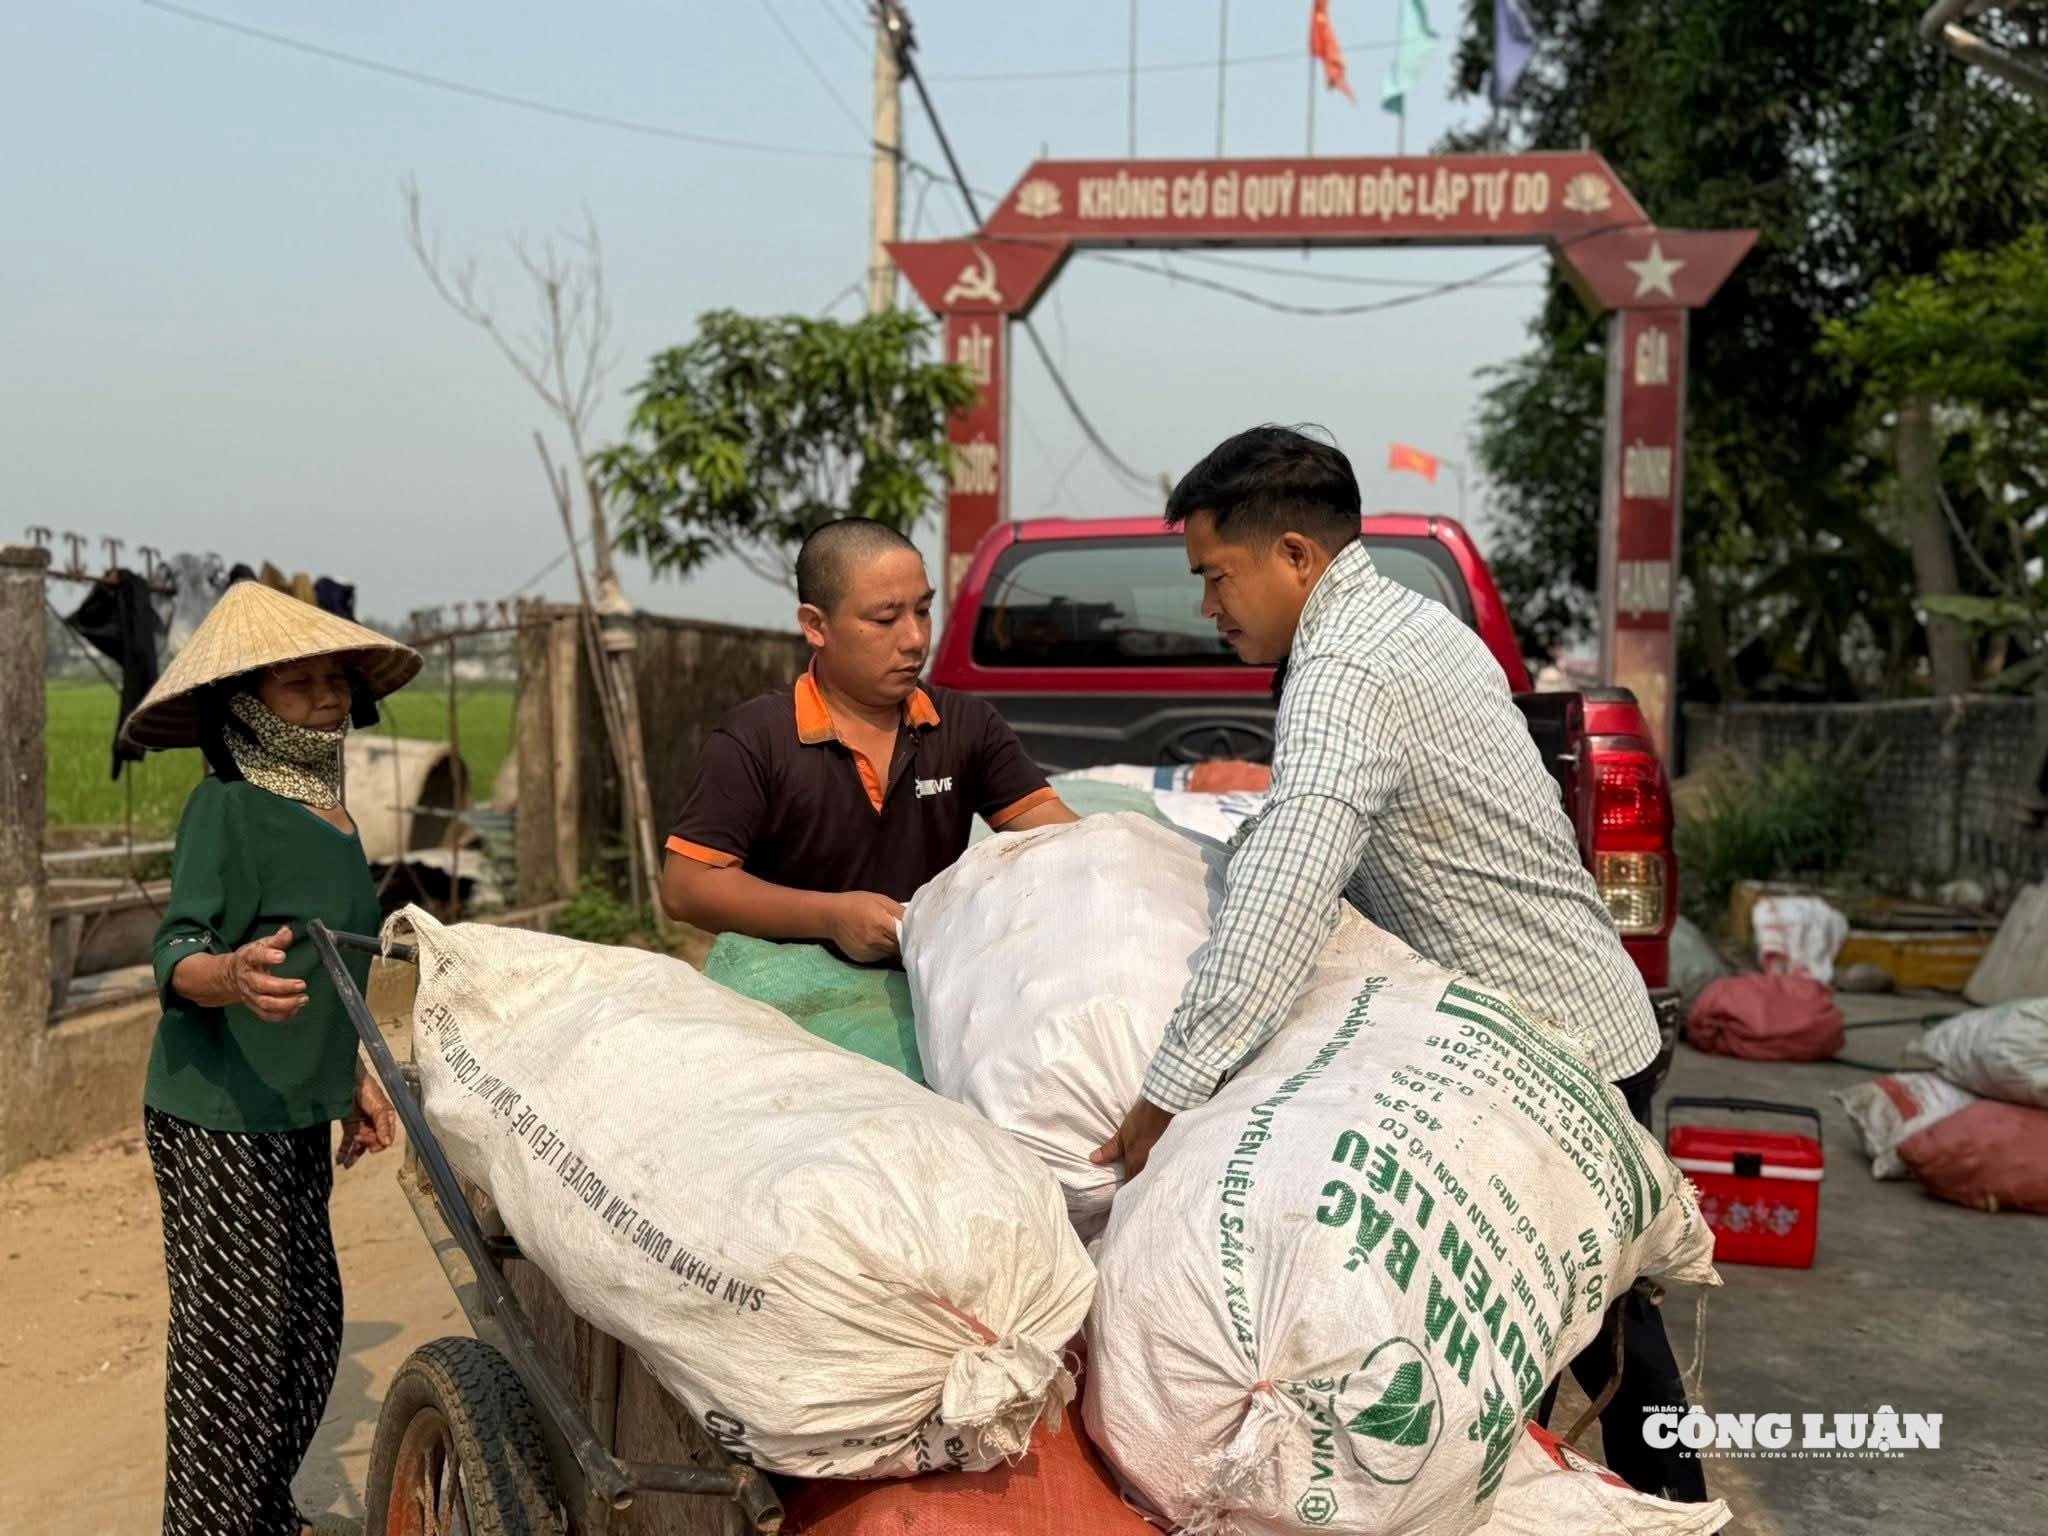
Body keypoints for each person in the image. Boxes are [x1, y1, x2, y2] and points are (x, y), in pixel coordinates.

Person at [1089, 425, 1704, 1502]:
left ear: (1293, 555)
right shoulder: (1411, 621)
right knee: (1598, 1334)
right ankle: (1667, 1501)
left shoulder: (1344, 669)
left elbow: (1288, 883)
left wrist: (1168, 1093)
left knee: (1517, 1353)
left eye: (1215, 576)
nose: (1208, 607)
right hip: (1576, 1025)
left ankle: (1658, 1506)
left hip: (1554, 1056)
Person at [122, 580, 420, 1536]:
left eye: (335, 680)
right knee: (233, 1348)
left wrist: (351, 1081)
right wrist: (228, 978)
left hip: (291, 1109)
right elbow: (175, 951)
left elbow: (331, 964)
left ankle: (257, 1512)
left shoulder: (331, 813)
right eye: (299, 685)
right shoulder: (228, 808)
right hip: (216, 1109)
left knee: (306, 1332)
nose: (327, 698)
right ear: (248, 706)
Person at [661, 519, 1077, 962]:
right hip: (785, 1001)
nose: (915, 639)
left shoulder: (964, 724)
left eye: (923, 611)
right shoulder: (758, 737)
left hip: (925, 986)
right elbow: (687, 886)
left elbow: (1063, 837)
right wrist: (829, 917)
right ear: (816, 626)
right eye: (885, 618)